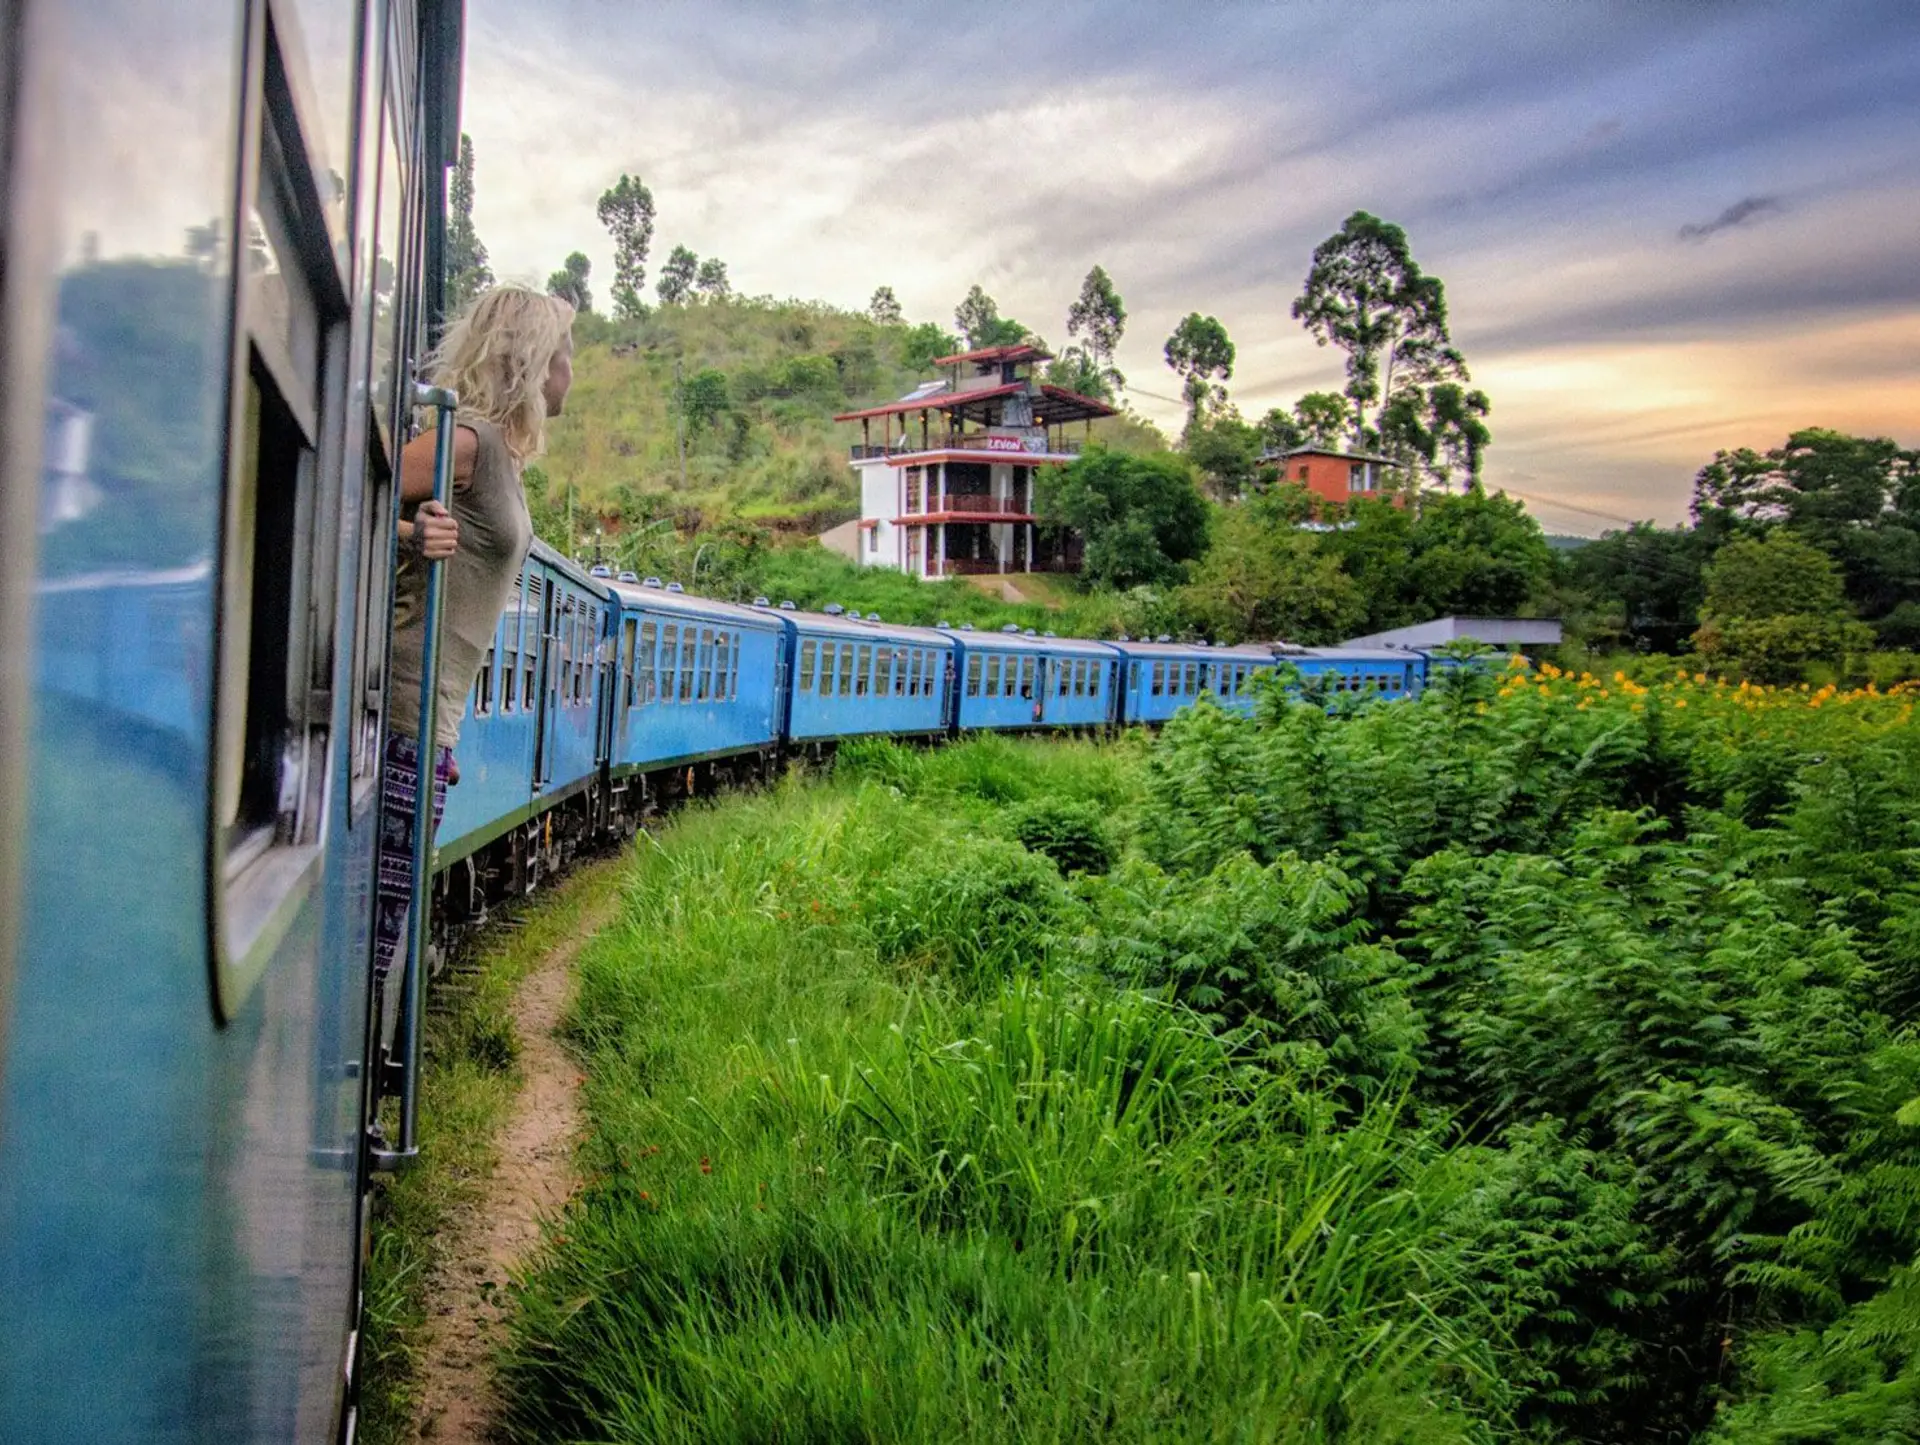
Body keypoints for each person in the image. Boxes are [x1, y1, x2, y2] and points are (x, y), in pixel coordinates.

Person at [373, 285, 575, 980]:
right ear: (533, 359)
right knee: (376, 930)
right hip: (405, 705)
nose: (570, 372)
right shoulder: (471, 442)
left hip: (433, 719)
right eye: (564, 354)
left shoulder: (503, 460)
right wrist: (409, 531)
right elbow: (347, 485)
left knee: (387, 920)